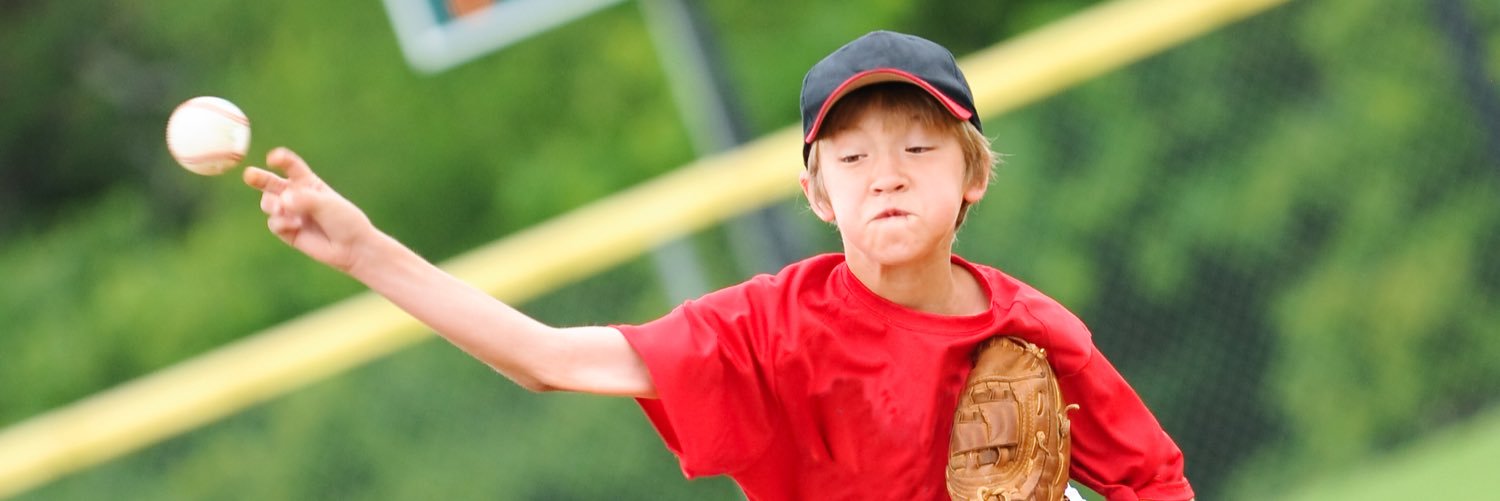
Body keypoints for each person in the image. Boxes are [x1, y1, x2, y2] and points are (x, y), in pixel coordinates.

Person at [244, 30, 1194, 501]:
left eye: (918, 147)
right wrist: (366, 251)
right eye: (852, 157)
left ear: (972, 174)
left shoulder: (1032, 333)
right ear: (818, 194)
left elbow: (1157, 483)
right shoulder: (768, 327)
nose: (886, 177)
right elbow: (550, 359)